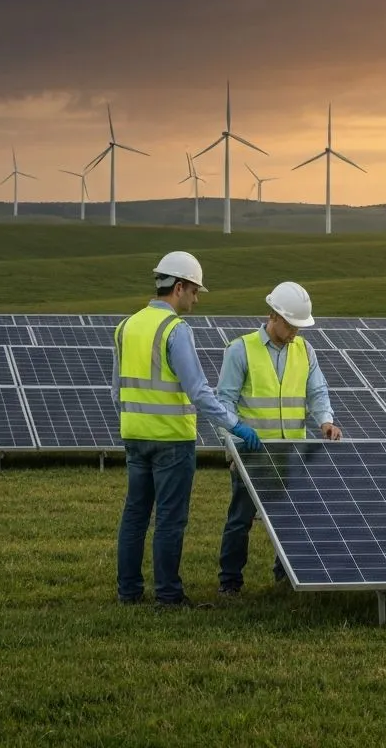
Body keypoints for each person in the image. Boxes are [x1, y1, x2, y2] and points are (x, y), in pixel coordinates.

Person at [113, 251, 260, 608]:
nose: (196, 299)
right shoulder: (175, 330)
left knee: (134, 515)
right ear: (178, 288)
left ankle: (128, 592)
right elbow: (198, 391)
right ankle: (169, 595)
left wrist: (134, 422)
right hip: (172, 442)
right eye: (194, 291)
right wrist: (235, 424)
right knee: (169, 519)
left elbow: (116, 391)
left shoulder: (127, 326)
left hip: (134, 436)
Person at [217, 280, 341, 595]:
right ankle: (230, 581)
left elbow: (317, 391)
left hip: (292, 452)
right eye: (292, 324)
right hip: (252, 452)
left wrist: (326, 421)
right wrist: (231, 447)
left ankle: (284, 575)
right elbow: (224, 404)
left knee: (291, 518)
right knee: (240, 519)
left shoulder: (304, 350)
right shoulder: (240, 349)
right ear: (274, 315)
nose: (296, 331)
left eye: (300, 325)